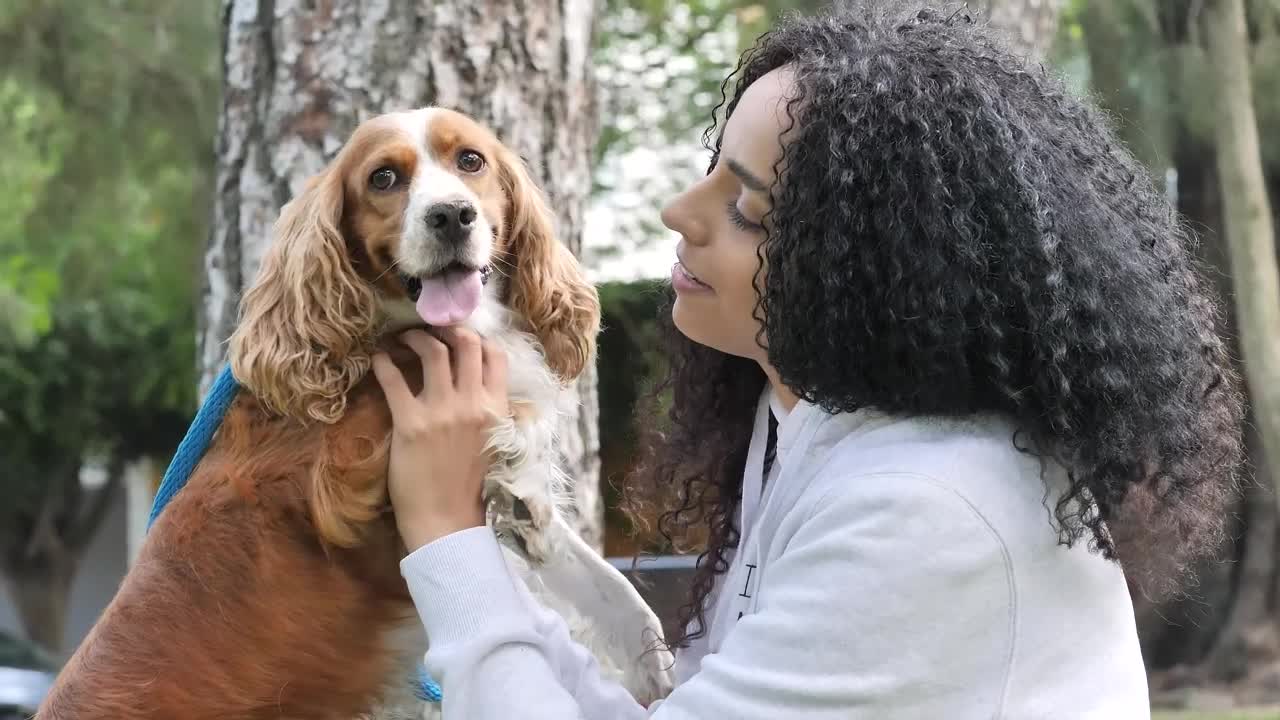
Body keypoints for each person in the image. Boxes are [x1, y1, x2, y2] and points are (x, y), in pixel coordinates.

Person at [369, 3, 1245, 718]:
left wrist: (448, 537)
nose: (679, 210)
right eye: (711, 170)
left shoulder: (930, 514)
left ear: (872, 276)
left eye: (745, 208)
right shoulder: (804, 418)